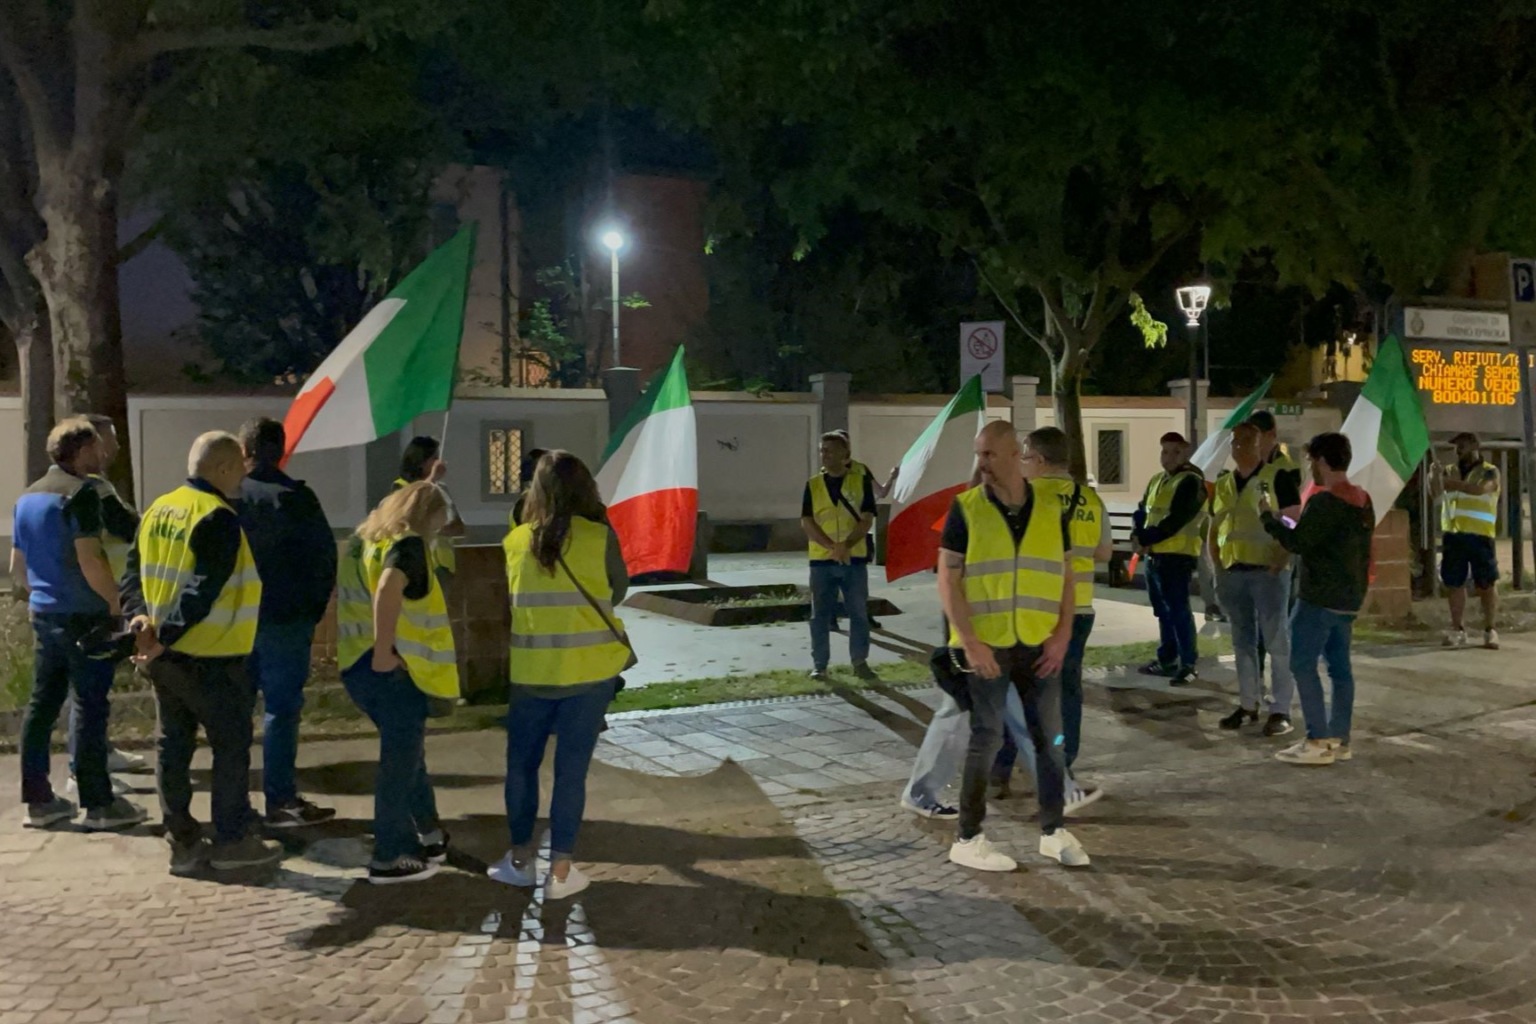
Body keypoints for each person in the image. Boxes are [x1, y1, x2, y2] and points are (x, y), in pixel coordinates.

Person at [124, 432, 280, 875]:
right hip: (213, 656)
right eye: (239, 471)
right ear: (224, 468)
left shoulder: (158, 508)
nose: (242, 480)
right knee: (230, 748)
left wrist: (139, 621)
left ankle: (182, 841)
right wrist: (164, 635)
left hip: (164, 658)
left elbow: (132, 573)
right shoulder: (217, 517)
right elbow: (201, 590)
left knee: (172, 746)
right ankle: (232, 840)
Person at [941, 421, 1087, 872]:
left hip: (1039, 643)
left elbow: (1067, 576)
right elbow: (948, 579)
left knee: (1051, 741)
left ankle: (1053, 831)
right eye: (978, 454)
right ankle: (968, 837)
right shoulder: (966, 508)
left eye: (988, 454)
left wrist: (1062, 635)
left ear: (1014, 455)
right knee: (986, 738)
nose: (981, 463)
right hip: (987, 645)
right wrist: (970, 642)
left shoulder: (1050, 508)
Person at [489, 451, 631, 900]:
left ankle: (519, 862)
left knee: (521, 767)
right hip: (589, 674)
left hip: (531, 673)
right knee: (571, 774)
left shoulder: (515, 540)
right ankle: (562, 873)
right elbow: (617, 590)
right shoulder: (599, 536)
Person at [11, 417, 147, 831]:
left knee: (41, 706)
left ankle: (39, 801)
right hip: (84, 616)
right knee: (90, 705)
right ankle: (99, 803)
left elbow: (18, 568)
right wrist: (116, 606)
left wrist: (42, 595)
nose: (103, 454)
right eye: (97, 448)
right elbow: (90, 560)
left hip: (44, 614)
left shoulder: (28, 497)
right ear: (83, 450)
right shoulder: (82, 494)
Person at [335, 481, 458, 884]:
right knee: (399, 764)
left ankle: (430, 833)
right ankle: (391, 855)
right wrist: (384, 650)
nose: (441, 528)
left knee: (408, 754)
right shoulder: (409, 546)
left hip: (357, 665)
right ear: (428, 515)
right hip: (395, 670)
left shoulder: (366, 541)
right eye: (439, 519)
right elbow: (389, 587)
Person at [989, 426, 1112, 810]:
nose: (1023, 464)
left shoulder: (1027, 495)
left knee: (1018, 691)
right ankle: (1063, 763)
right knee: (1067, 692)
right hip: (1081, 610)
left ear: (1039, 459)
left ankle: (1002, 768)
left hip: (1035, 611)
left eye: (1025, 457)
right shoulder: (1090, 498)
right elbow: (1105, 552)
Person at [237, 417, 339, 828]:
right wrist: (311, 612)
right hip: (286, 620)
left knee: (234, 713)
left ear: (244, 451)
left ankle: (233, 804)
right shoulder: (297, 498)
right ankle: (279, 800)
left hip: (234, 623)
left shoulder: (229, 497)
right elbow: (324, 560)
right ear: (281, 451)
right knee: (281, 711)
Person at [1260, 433, 1375, 766]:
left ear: (1322, 461)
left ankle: (1317, 740)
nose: (1310, 468)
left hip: (1318, 598)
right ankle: (1339, 739)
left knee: (1302, 663)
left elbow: (1299, 542)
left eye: (1312, 461)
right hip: (1348, 598)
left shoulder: (1325, 501)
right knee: (1340, 670)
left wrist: (1268, 518)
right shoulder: (1363, 500)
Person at [61, 413, 149, 797]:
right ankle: (85, 770)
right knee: (90, 691)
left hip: (93, 593)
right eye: (109, 439)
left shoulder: (82, 486)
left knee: (91, 690)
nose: (114, 446)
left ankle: (101, 754)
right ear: (91, 443)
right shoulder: (95, 488)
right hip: (103, 594)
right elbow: (130, 527)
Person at [1208, 422, 1300, 737]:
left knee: (1277, 642)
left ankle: (1281, 710)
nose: (1239, 446)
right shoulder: (1224, 484)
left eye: (1246, 440)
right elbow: (1215, 528)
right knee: (1242, 642)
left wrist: (1280, 560)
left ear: (1260, 443)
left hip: (1267, 573)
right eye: (1235, 441)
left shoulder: (1277, 478)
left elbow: (1293, 521)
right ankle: (1248, 705)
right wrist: (1217, 566)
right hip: (1233, 572)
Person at [800, 432, 878, 682]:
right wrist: (831, 547)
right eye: (822, 450)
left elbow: (867, 518)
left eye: (830, 450)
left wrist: (846, 545)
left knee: (858, 613)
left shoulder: (860, 482)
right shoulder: (813, 484)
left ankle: (859, 661)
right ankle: (820, 665)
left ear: (845, 455)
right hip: (821, 560)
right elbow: (807, 521)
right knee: (819, 616)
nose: (825, 455)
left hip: (854, 560)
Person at [1132, 432, 1207, 686]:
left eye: (1175, 452)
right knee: (1163, 612)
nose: (1169, 457)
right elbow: (1142, 510)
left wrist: (1145, 538)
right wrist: (1136, 534)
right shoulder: (1157, 480)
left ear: (1186, 452)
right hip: (1155, 554)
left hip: (1178, 555)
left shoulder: (1191, 481)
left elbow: (1177, 519)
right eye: (1165, 451)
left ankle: (1188, 664)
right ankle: (1167, 660)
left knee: (1178, 611)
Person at [1430, 432, 1501, 649]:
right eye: (1455, 446)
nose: (1458, 450)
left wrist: (1451, 484)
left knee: (1486, 584)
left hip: (1480, 535)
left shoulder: (1489, 471)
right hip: (1454, 534)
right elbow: (1436, 494)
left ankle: (1490, 629)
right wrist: (1433, 477)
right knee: (1454, 583)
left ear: (1474, 446)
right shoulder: (1449, 470)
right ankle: (1458, 629)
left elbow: (1481, 489)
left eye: (1462, 445)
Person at [395, 435, 466, 588]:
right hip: (416, 564)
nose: (438, 462)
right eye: (434, 458)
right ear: (420, 461)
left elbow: (459, 527)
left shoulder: (441, 489)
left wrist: (438, 528)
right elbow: (409, 519)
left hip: (442, 567)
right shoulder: (401, 488)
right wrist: (432, 479)